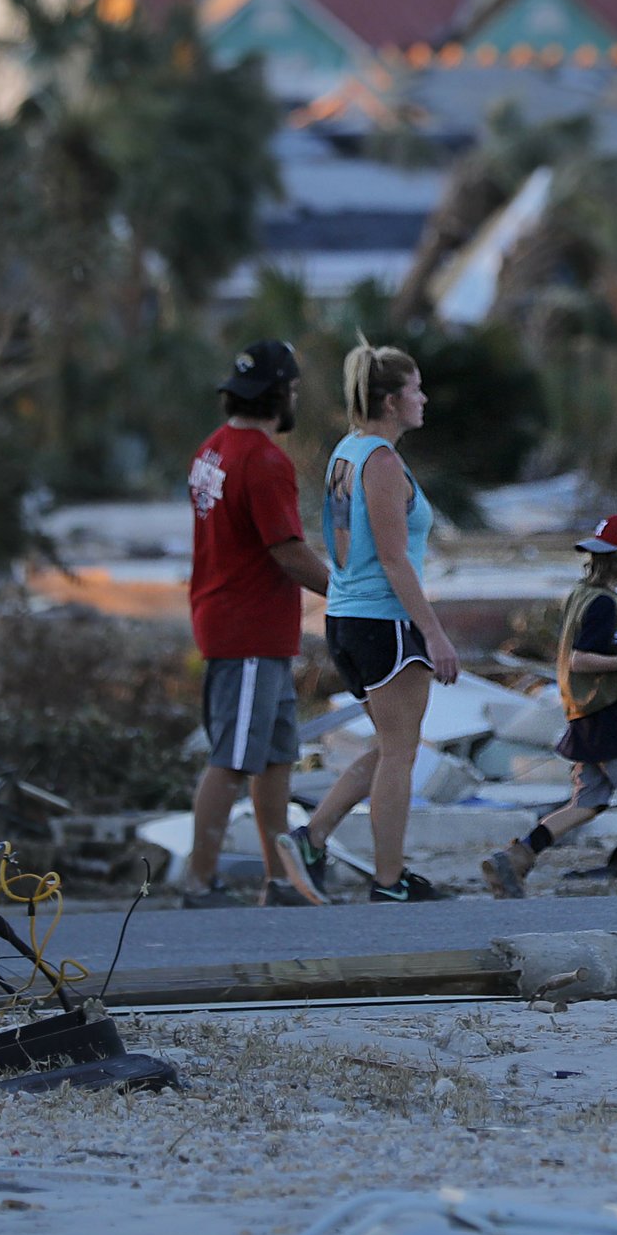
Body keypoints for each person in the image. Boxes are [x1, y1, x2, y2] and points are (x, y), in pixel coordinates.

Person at [281, 341, 459, 903]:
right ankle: (389, 881)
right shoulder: (381, 461)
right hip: (383, 622)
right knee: (402, 752)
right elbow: (391, 557)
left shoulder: (347, 451)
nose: (423, 398)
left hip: (346, 618)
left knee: (389, 744)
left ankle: (311, 837)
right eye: (415, 388)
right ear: (389, 400)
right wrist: (434, 633)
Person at [180, 338, 329, 909]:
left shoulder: (212, 450)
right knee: (233, 758)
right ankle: (200, 883)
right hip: (247, 632)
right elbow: (287, 551)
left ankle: (278, 879)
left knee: (273, 757)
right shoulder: (265, 462)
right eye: (292, 390)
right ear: (278, 394)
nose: (294, 400)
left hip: (247, 627)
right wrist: (346, 596)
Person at [480, 513, 617, 899]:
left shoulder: (580, 594)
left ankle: (516, 857)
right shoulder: (602, 603)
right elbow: (581, 659)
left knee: (588, 802)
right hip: (615, 717)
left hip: (586, 718)